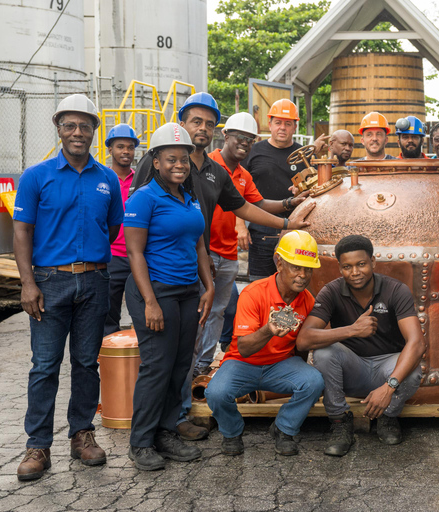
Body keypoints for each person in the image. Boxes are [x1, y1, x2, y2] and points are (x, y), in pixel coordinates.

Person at [132, 92, 312, 441]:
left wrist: (288, 224)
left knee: (187, 347)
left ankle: (178, 415)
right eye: (196, 121)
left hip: (198, 266)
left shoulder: (215, 172)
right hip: (161, 277)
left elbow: (243, 207)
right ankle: (152, 431)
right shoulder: (161, 164)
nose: (202, 128)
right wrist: (147, 294)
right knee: (159, 359)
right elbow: (140, 225)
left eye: (208, 123)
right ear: (182, 124)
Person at [13, 94, 123, 481]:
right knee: (44, 366)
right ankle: (37, 445)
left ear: (95, 129)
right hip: (49, 281)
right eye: (70, 125)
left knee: (85, 363)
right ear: (59, 128)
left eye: (85, 126)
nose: (78, 133)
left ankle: (82, 434)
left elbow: (110, 229)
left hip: (95, 280)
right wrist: (28, 283)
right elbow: (22, 231)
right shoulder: (36, 176)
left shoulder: (107, 179)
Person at [124, 123, 215, 471]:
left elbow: (199, 246)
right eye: (171, 158)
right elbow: (134, 254)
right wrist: (149, 302)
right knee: (157, 366)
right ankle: (141, 442)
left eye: (184, 158)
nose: (179, 164)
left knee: (180, 366)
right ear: (156, 161)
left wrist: (207, 288)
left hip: (187, 292)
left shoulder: (188, 198)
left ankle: (165, 432)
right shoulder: (143, 198)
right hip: (156, 291)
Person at [197, 112, 311, 377]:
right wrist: (286, 224)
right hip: (205, 251)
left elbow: (256, 204)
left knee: (218, 312)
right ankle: (189, 367)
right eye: (239, 138)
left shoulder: (242, 175)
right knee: (199, 311)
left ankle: (202, 365)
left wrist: (289, 204)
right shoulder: (208, 165)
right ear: (225, 136)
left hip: (228, 253)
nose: (244, 144)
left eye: (249, 140)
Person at [297, 235, 425, 456]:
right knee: (323, 351)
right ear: (340, 268)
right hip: (351, 370)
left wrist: (389, 387)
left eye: (361, 264)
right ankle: (340, 422)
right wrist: (352, 330)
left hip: (387, 368)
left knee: (413, 369)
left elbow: (417, 342)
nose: (355, 272)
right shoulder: (332, 291)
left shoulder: (396, 290)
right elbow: (303, 339)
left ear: (373, 262)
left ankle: (388, 416)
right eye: (347, 267)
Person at [205, 231, 324, 456]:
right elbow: (244, 349)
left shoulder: (308, 300)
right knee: (216, 393)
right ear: (279, 263)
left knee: (314, 381)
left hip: (280, 365)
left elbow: (302, 348)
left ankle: (283, 428)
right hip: (243, 363)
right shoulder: (253, 293)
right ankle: (232, 433)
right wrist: (268, 330)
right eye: (296, 267)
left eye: (308, 269)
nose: (302, 275)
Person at [240, 98, 327, 281]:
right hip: (261, 230)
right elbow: (236, 190)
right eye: (278, 122)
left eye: (288, 124)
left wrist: (305, 189)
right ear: (269, 124)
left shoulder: (305, 155)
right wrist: (240, 225)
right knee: (259, 283)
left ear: (295, 127)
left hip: (296, 230)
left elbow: (320, 191)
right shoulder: (253, 152)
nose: (282, 128)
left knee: (294, 283)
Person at [104, 123, 140, 336]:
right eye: (120, 147)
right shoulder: (103, 179)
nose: (126, 151)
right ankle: (109, 356)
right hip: (113, 254)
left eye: (130, 147)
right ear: (110, 150)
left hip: (140, 254)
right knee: (108, 310)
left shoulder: (141, 180)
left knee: (144, 307)